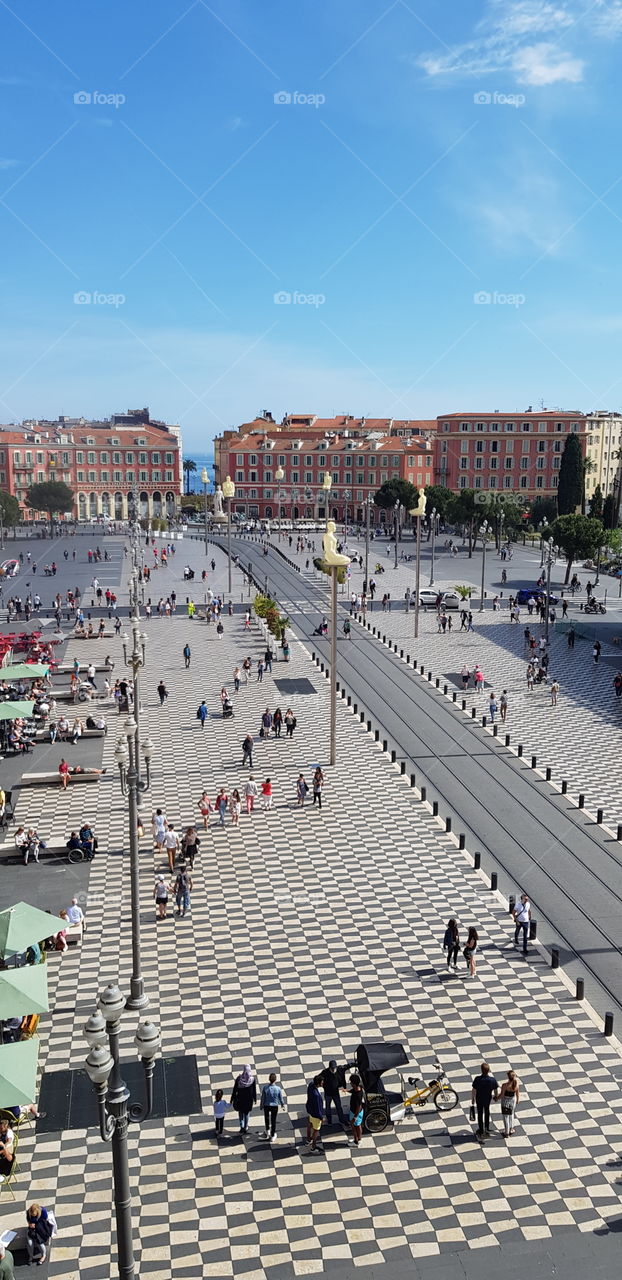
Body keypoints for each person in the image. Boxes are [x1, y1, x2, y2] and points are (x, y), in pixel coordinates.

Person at [471, 1063, 499, 1140]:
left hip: (479, 1099)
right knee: (487, 1111)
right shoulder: (492, 1080)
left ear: (481, 1070)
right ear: (488, 1070)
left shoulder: (477, 1079)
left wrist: (472, 1099)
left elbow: (474, 1090)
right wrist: (496, 1097)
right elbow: (495, 1089)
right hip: (487, 1099)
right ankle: (487, 1128)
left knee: (480, 1114)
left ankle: (481, 1129)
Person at [231, 1065, 257, 1134]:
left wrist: (232, 1099)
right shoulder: (252, 1079)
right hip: (248, 1101)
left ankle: (241, 1126)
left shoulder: (239, 1079)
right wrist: (255, 1099)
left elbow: (234, 1090)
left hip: (240, 1100)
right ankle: (246, 1127)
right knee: (247, 1114)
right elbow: (254, 1090)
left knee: (240, 1114)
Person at [261, 1073, 285, 1141]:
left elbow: (263, 1098)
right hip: (274, 1106)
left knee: (267, 1118)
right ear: (275, 1080)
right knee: (273, 1120)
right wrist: (282, 1104)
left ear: (269, 1079)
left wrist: (261, 1105)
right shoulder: (278, 1089)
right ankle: (272, 1134)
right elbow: (280, 1098)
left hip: (266, 1105)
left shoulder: (265, 1088)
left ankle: (267, 1130)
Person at [305, 1075, 325, 1153]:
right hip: (316, 1115)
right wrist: (321, 1117)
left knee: (310, 1124)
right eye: (322, 1082)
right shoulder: (316, 1095)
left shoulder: (311, 1085)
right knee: (316, 1130)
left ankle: (308, 1140)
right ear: (318, 1084)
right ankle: (313, 1147)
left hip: (310, 1111)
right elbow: (317, 1108)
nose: (323, 1083)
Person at [321, 1060, 345, 1125]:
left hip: (335, 1093)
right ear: (329, 1067)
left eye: (334, 1068)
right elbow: (319, 1078)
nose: (333, 1069)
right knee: (328, 1107)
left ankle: (342, 1119)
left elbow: (346, 1068)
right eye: (332, 1068)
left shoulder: (338, 1070)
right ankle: (329, 1120)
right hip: (328, 1094)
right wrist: (324, 1086)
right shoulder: (325, 1072)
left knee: (339, 1106)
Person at [499, 1070, 520, 1137]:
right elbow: (517, 1093)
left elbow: (502, 1095)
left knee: (505, 1116)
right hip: (512, 1101)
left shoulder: (505, 1085)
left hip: (505, 1101)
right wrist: (518, 1100)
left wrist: (496, 1098)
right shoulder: (516, 1084)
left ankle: (506, 1132)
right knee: (511, 1114)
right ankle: (511, 1128)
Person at [348, 1072, 365, 1147]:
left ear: (354, 1083)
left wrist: (355, 1117)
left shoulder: (358, 1095)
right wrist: (347, 1090)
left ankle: (356, 1141)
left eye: (351, 1082)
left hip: (355, 1113)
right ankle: (359, 1139)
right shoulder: (359, 1088)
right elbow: (353, 1090)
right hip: (358, 1112)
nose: (350, 1083)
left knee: (354, 1126)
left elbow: (358, 1106)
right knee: (358, 1126)